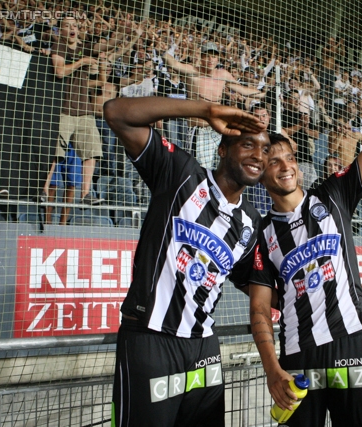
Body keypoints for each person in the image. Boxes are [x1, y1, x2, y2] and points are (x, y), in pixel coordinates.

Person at [246, 48, 362, 427]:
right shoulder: (261, 233)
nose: (285, 166)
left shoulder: (333, 195)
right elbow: (259, 308)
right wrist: (272, 368)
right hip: (297, 356)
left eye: (289, 157)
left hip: (350, 343)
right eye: (273, 161)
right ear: (261, 174)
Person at [104, 96, 269, 427]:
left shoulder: (251, 223)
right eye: (247, 144)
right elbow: (116, 114)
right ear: (222, 149)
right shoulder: (181, 174)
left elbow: (259, 284)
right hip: (151, 339)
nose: (258, 155)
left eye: (265, 149)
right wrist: (205, 111)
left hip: (204, 348)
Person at [164, 41, 266, 169]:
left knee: (220, 167)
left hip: (218, 131)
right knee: (201, 168)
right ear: (201, 57)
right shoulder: (193, 72)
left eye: (213, 56)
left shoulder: (222, 74)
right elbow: (173, 64)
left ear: (217, 58)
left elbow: (243, 90)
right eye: (207, 55)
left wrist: (264, 94)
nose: (210, 59)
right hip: (199, 130)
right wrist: (164, 51)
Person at [50, 16, 104, 205]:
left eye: (74, 25)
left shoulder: (85, 47)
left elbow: (109, 47)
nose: (72, 28)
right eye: (67, 25)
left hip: (85, 111)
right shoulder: (58, 47)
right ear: (61, 31)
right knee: (55, 152)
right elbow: (59, 71)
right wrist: (82, 62)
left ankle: (86, 194)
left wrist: (133, 34)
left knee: (91, 151)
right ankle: (43, 189)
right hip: (64, 108)